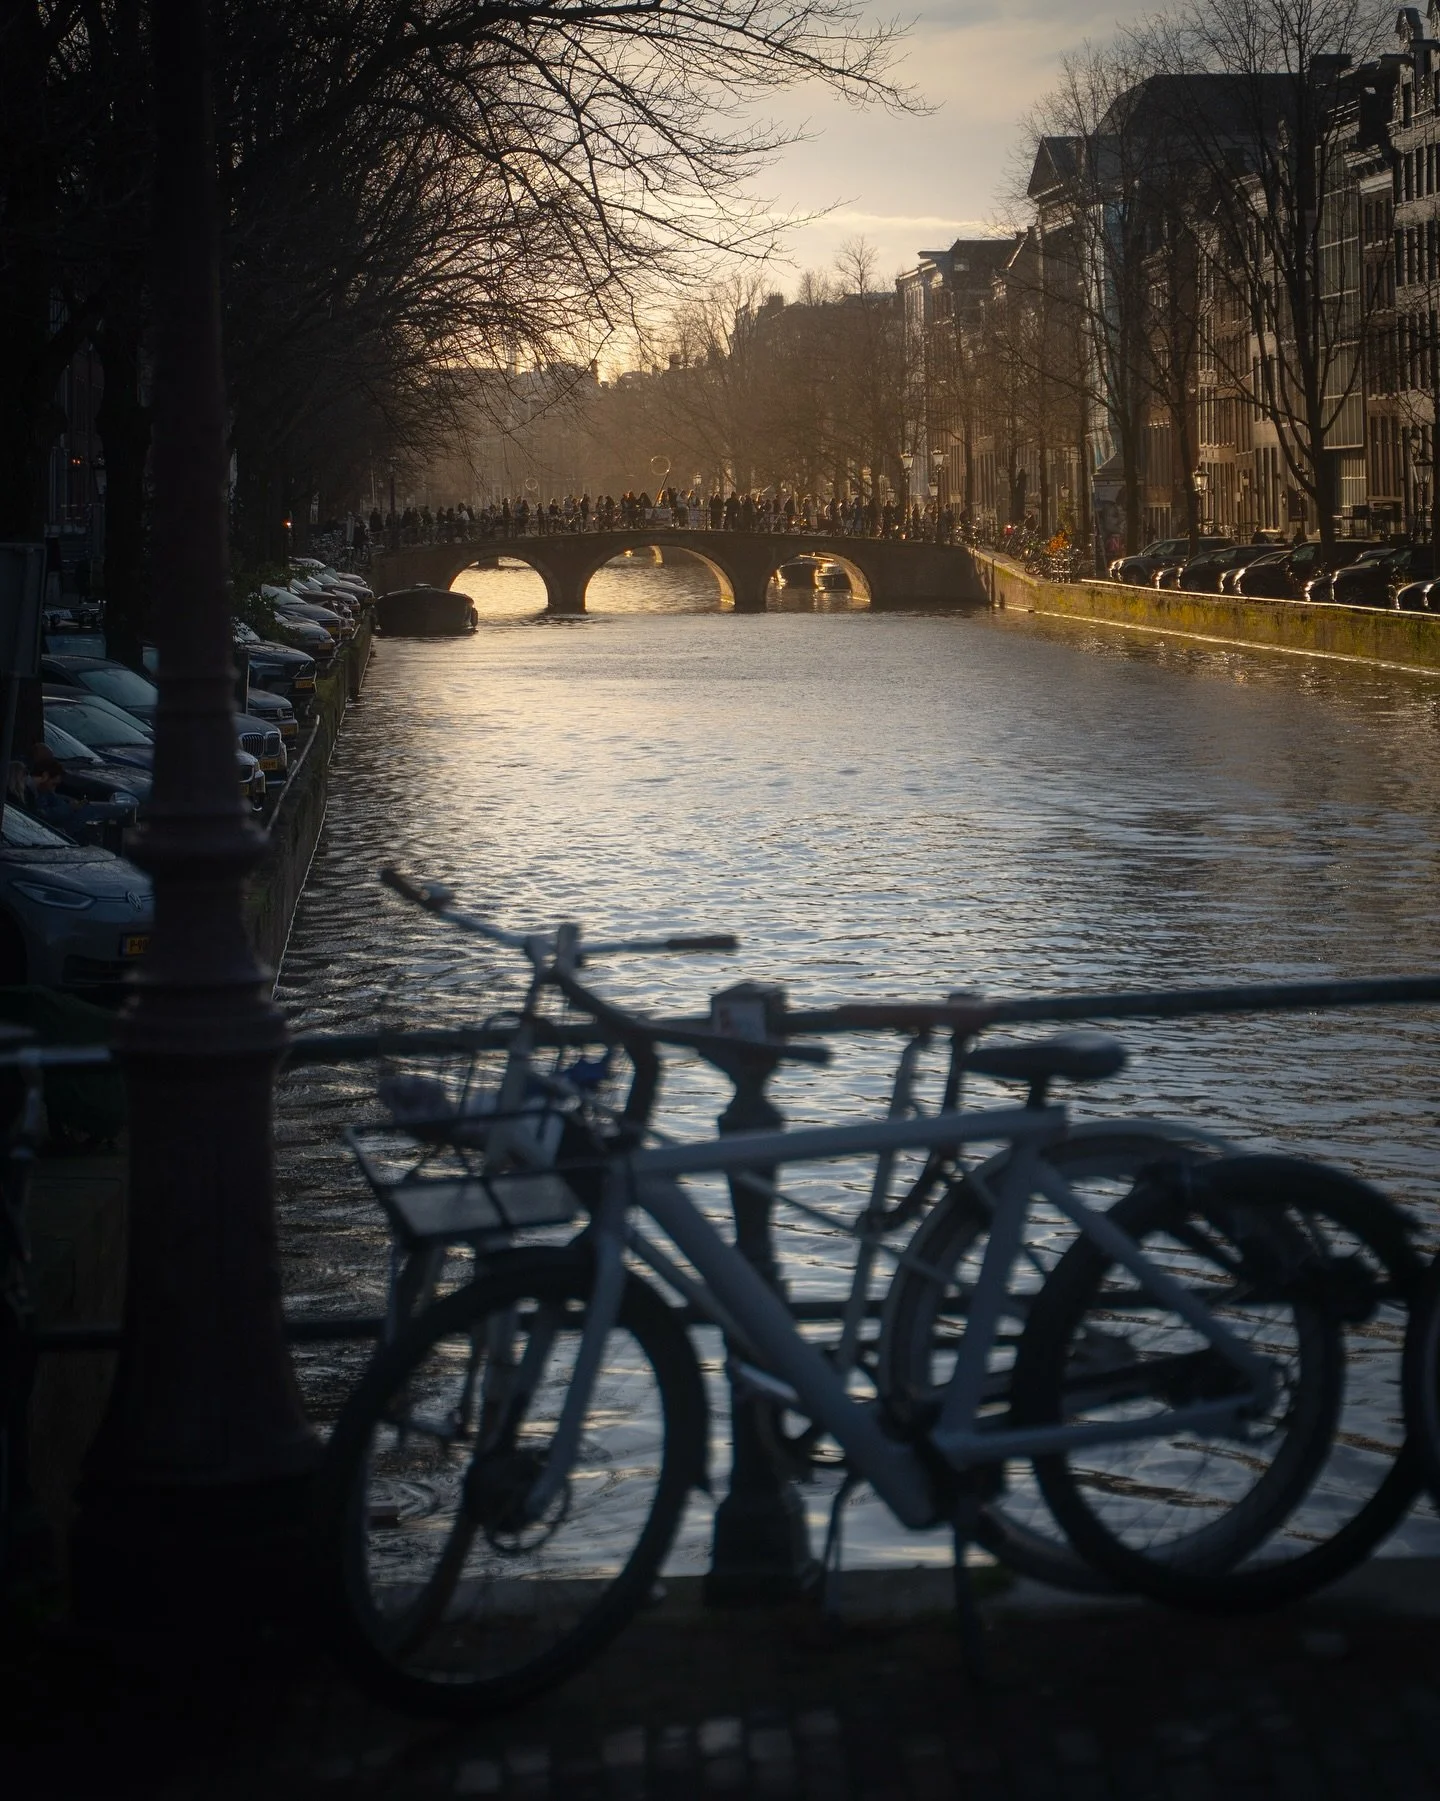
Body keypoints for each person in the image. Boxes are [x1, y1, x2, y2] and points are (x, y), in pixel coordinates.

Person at [24, 746, 134, 838]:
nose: (52, 789)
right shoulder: (32, 792)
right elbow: (45, 815)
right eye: (53, 784)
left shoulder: (42, 791)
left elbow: (54, 800)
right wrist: (70, 807)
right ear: (45, 776)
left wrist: (69, 803)